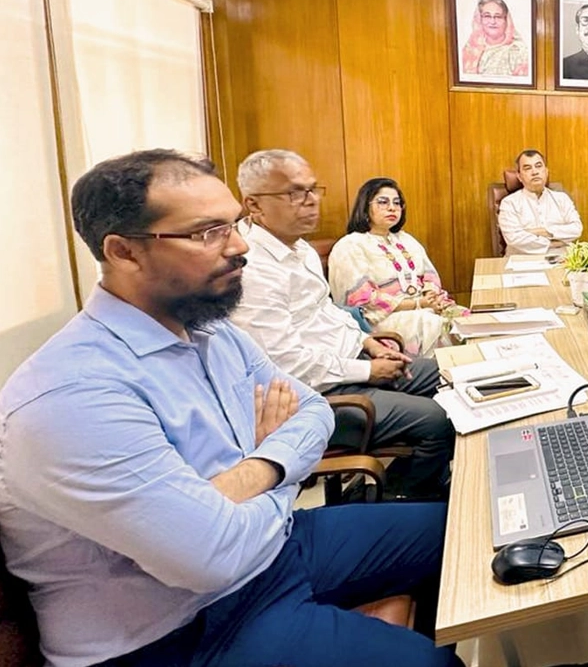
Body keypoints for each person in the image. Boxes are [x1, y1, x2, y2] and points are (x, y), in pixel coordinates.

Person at [0, 149, 459, 667]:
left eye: (235, 225)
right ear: (124, 252)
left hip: (274, 549)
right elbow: (211, 558)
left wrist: (251, 472)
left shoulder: (209, 330)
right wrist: (279, 468)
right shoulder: (70, 396)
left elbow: (314, 411)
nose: (240, 246)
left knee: (465, 535)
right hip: (178, 632)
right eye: (207, 232)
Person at [230, 149, 453, 500]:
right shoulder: (251, 268)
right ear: (254, 205)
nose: (310, 202)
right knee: (437, 420)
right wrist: (368, 372)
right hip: (318, 394)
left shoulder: (298, 247)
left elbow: (330, 311)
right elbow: (286, 365)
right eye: (294, 193)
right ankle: (403, 503)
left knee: (452, 377)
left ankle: (431, 485)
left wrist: (369, 342)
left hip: (352, 361)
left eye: (313, 190)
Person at [328, 177, 459, 356]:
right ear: (365, 207)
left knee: (463, 319)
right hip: (382, 320)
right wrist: (417, 304)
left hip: (422, 309)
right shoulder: (350, 245)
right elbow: (362, 299)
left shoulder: (406, 239)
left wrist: (431, 296)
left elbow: (429, 276)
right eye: (383, 202)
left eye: (397, 203)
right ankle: (446, 377)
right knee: (433, 324)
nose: (392, 208)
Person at [498, 149, 583, 255]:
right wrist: (554, 243)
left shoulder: (562, 199)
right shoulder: (509, 203)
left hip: (560, 260)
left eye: (538, 166)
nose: (534, 172)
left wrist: (541, 231)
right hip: (522, 262)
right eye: (527, 168)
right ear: (519, 176)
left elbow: (576, 229)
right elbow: (514, 238)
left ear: (546, 172)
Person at [460, 0, 529, 78]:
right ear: (479, 19)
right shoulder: (469, 50)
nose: (492, 21)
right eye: (487, 16)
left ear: (506, 20)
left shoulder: (519, 51)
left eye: (498, 16)